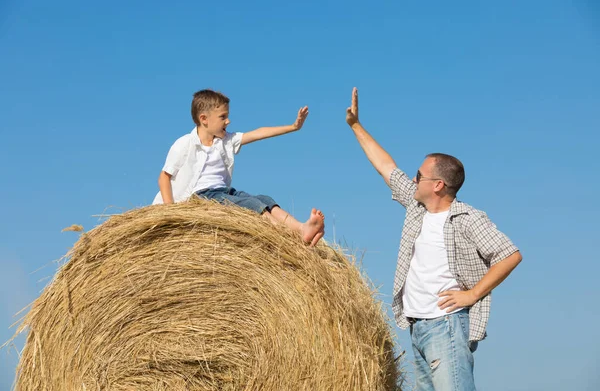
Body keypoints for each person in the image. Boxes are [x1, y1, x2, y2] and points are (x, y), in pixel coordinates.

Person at [344, 87, 522, 390]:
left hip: (447, 326)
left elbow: (510, 254)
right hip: (418, 329)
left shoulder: (467, 219)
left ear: (438, 185)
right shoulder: (417, 208)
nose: (413, 179)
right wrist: (356, 126)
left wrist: (472, 294)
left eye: (419, 174)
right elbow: (386, 167)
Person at [153, 89, 325, 246]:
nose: (228, 121)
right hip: (201, 196)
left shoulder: (226, 140)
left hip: (225, 192)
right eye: (222, 117)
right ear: (203, 119)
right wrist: (171, 211)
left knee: (264, 200)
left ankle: (301, 228)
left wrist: (293, 127)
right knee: (250, 204)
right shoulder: (184, 144)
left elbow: (259, 133)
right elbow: (164, 177)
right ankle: (285, 239)